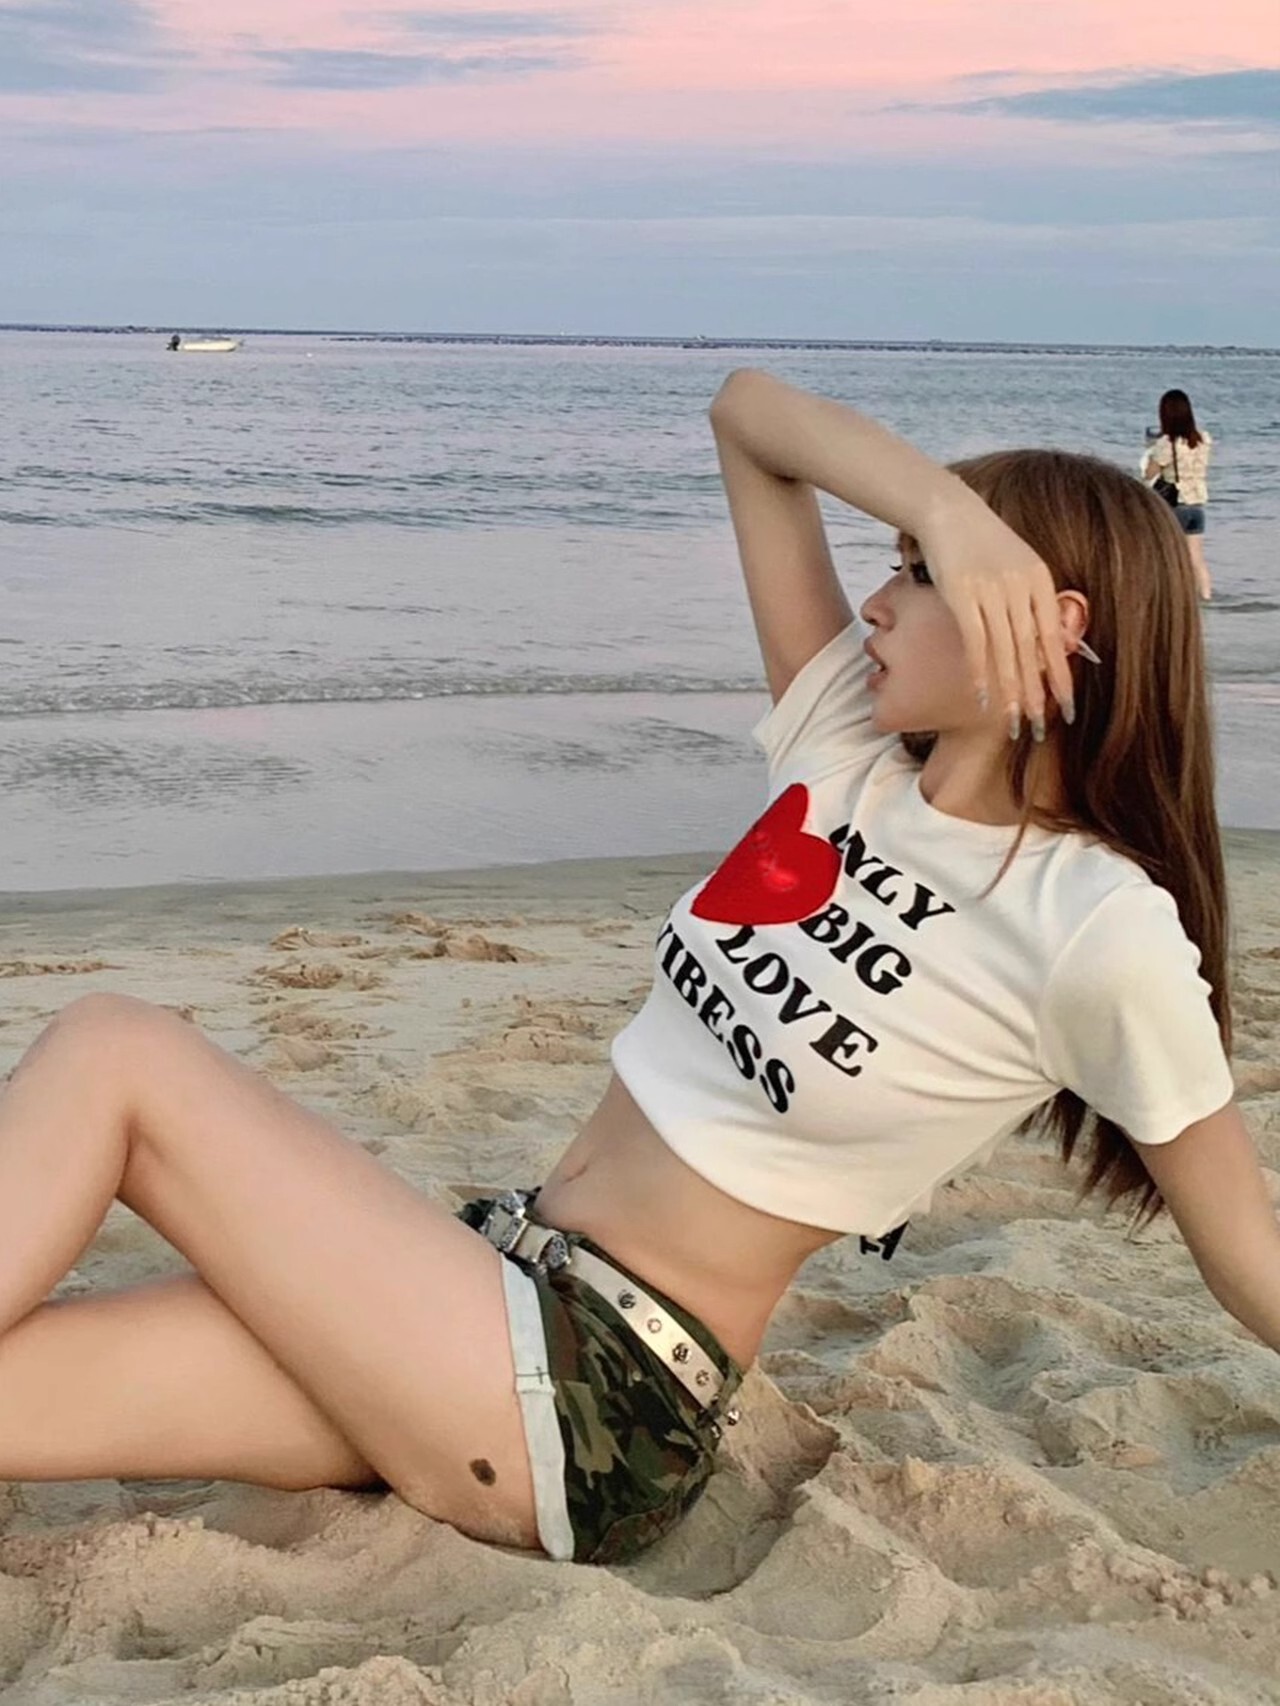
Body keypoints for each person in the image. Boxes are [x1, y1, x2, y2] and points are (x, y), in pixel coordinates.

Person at [0, 371, 1274, 1570]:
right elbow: (747, 416)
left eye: (917, 576)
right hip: (489, 1287)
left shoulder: (1093, 922)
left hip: (600, 1395)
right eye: (893, 564)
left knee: (119, 1048)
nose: (877, 603)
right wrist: (943, 512)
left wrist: (961, 533)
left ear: (1049, 623)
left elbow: (1242, 1252)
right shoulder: (842, 755)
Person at [1142, 388, 1213, 601]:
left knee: (1168, 558)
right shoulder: (1203, 439)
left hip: (1175, 505)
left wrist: (1150, 450)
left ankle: (1171, 599)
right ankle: (1206, 599)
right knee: (1197, 560)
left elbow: (1149, 473)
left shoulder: (1166, 444)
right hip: (1197, 507)